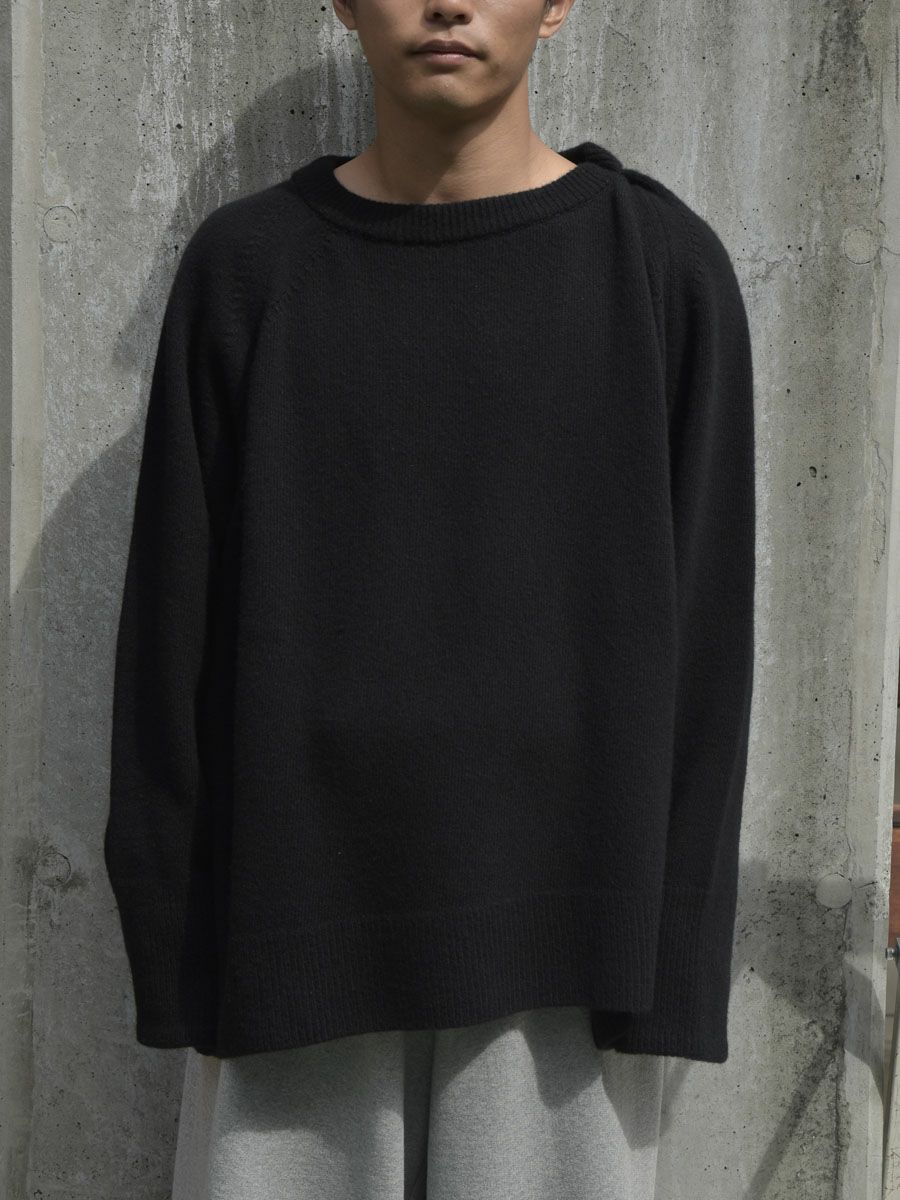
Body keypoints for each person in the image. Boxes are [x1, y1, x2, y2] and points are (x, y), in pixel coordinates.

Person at [104, 0, 756, 1195]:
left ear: (558, 5)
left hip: (568, 971)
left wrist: (671, 971)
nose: (448, 0)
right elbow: (166, 645)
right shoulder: (249, 269)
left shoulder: (661, 272)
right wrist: (178, 955)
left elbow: (709, 656)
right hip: (289, 942)